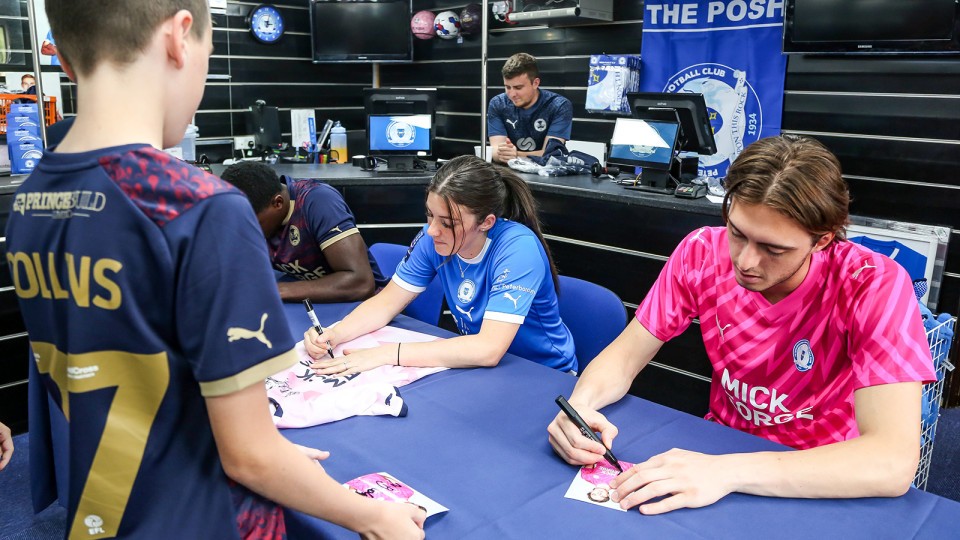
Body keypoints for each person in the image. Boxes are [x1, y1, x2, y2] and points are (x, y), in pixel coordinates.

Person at [5, 1, 424, 538]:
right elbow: (249, 456)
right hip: (204, 519)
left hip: (108, 511)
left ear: (63, 58)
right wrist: (373, 515)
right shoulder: (200, 206)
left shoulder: (33, 197)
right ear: (181, 37)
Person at [546, 135, 936, 515]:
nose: (746, 261)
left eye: (773, 249)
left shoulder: (872, 284)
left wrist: (727, 471)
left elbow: (891, 461)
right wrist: (581, 407)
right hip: (720, 447)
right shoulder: (701, 251)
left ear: (823, 240)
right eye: (737, 233)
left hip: (821, 471)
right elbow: (625, 357)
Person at [304, 155, 577, 374]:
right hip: (481, 370)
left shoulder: (518, 248)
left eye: (447, 222)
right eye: (429, 215)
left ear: (486, 222)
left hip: (542, 375)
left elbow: (488, 349)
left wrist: (387, 353)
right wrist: (335, 333)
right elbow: (386, 303)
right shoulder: (433, 237)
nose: (432, 230)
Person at [220, 161, 388, 303]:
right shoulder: (253, 214)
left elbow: (360, 283)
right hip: (312, 305)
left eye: (253, 223)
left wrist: (276, 290)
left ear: (277, 203)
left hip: (366, 307)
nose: (246, 231)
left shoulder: (317, 202)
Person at [487, 52, 573, 165]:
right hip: (508, 173)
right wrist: (503, 154)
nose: (512, 94)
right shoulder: (497, 103)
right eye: (507, 87)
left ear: (535, 83)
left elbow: (551, 154)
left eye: (518, 87)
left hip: (546, 175)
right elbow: (496, 151)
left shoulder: (559, 106)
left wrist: (516, 154)